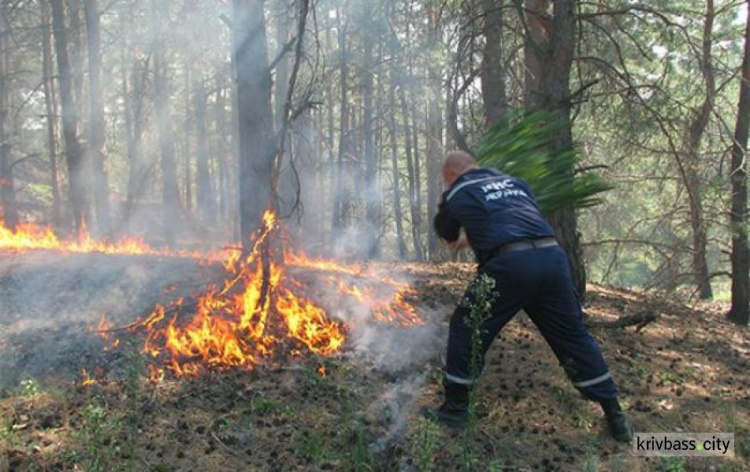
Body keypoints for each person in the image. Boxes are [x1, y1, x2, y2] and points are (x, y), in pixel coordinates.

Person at [422, 150, 632, 442]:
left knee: (467, 327)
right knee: (572, 336)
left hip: (509, 266)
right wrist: (476, 234)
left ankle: (455, 411)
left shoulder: (460, 189)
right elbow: (512, 219)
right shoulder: (515, 183)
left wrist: (454, 238)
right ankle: (615, 415)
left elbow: (445, 229)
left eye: (446, 181)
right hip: (552, 259)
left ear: (453, 175)